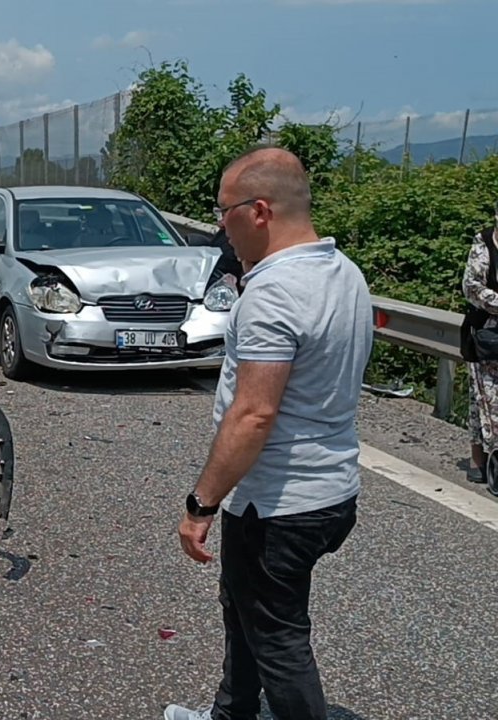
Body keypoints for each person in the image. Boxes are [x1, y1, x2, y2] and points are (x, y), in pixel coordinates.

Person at [167, 147, 372, 720]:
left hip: (280, 503)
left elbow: (254, 415)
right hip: (332, 488)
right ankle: (229, 714)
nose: (219, 227)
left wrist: (201, 503)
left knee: (279, 640)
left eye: (223, 211)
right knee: (248, 614)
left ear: (258, 211)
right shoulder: (344, 272)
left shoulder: (274, 294)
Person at [461, 207, 498, 496]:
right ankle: (479, 456)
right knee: (484, 398)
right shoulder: (483, 244)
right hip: (485, 333)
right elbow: (472, 286)